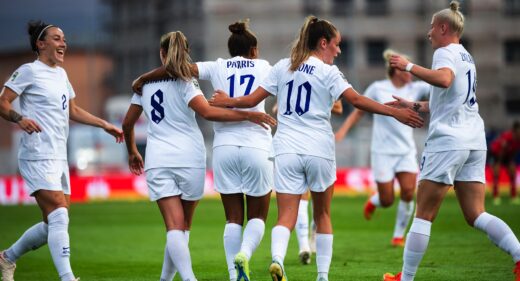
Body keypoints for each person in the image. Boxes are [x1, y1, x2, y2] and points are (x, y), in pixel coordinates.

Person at [209, 15, 423, 281]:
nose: (339, 49)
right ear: (323, 43)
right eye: (337, 44)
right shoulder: (328, 72)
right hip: (319, 149)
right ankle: (322, 277)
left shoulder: (283, 66)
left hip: (286, 148)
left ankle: (277, 260)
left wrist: (227, 100)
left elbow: (252, 100)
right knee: (322, 214)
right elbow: (356, 100)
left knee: (285, 215)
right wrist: (395, 113)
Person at [382, 2, 520, 281]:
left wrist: (408, 65)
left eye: (432, 27)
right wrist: (414, 104)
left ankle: (405, 279)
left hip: (448, 141)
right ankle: (519, 257)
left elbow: (444, 81)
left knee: (423, 215)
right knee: (476, 214)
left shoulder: (444, 52)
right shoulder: (466, 55)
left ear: (444, 28)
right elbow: (449, 98)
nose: (428, 32)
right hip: (473, 140)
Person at [124, 30, 276, 281]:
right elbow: (205, 110)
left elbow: (128, 123)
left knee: (193, 224)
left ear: (162, 53)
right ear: (255, 50)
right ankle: (241, 258)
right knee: (247, 217)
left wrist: (132, 149)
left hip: (185, 153)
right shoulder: (263, 67)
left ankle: (212, 275)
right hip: (217, 152)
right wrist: (249, 113)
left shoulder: (211, 68)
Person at [0, 21, 124, 281]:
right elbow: (3, 102)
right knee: (59, 213)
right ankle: (68, 278)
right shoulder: (28, 71)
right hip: (36, 154)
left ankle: (7, 258)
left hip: (58, 156)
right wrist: (18, 118)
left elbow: (73, 110)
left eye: (64, 39)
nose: (63, 43)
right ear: (40, 44)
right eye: (56, 38)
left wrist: (104, 124)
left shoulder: (61, 74)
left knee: (53, 223)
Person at [335, 49, 430, 247]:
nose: (410, 73)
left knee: (408, 191)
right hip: (382, 152)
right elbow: (359, 111)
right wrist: (343, 131)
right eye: (406, 69)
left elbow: (437, 86)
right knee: (387, 200)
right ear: (396, 71)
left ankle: (398, 236)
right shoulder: (377, 88)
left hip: (406, 151)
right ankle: (374, 201)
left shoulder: (416, 88)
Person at [490, 121, 520, 205]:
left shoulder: (518, 140)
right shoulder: (507, 137)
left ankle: (513, 196)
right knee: (496, 173)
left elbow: (513, 152)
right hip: (496, 154)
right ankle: (496, 196)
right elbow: (501, 152)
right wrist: (498, 163)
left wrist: (511, 162)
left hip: (508, 156)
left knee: (513, 172)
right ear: (515, 131)